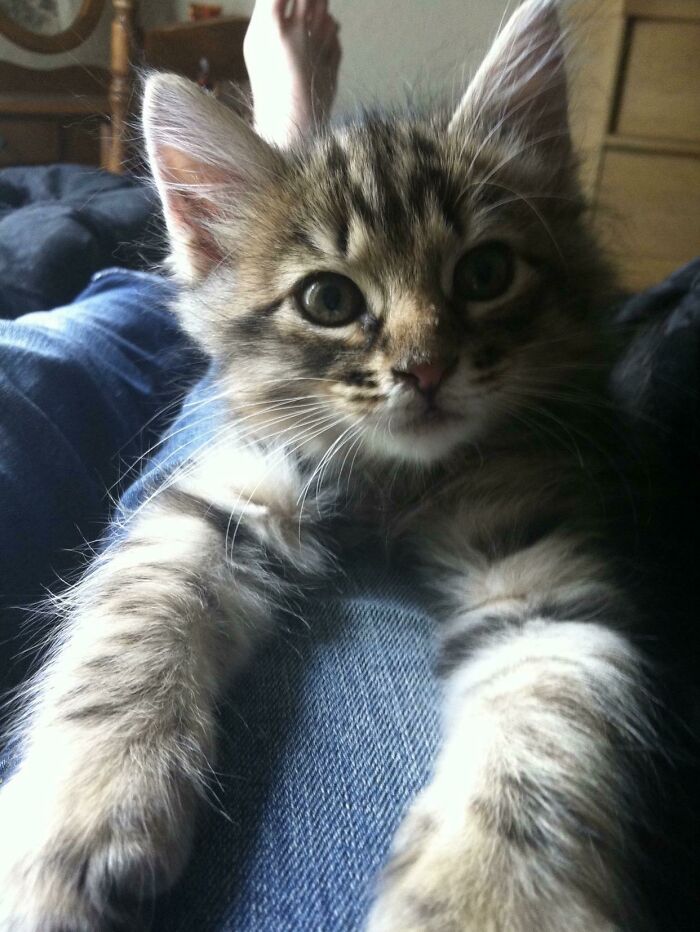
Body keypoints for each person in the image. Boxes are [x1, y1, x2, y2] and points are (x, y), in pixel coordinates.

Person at [0, 3, 440, 930]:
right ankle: (257, 193)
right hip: (185, 299)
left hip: (266, 360)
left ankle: (270, 190)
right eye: (334, 293)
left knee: (190, 378)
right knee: (58, 344)